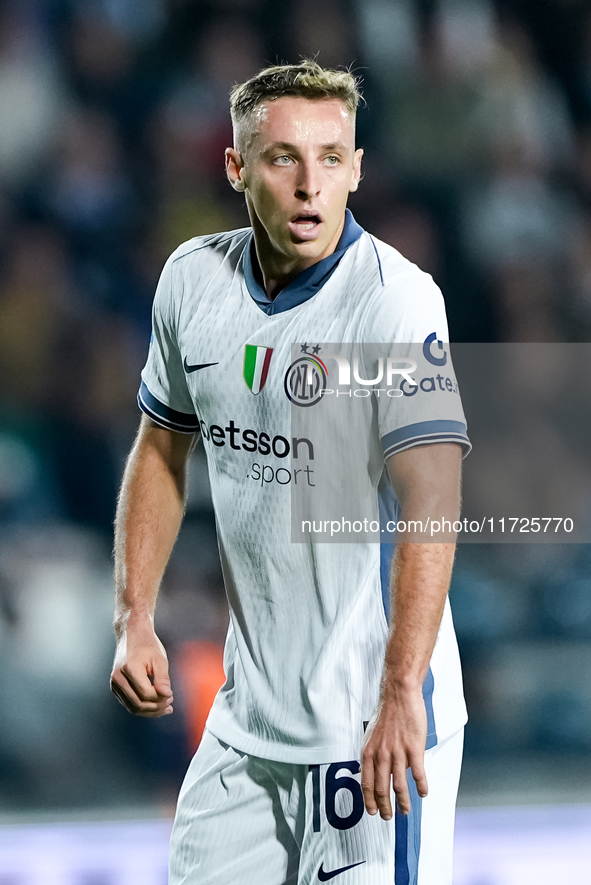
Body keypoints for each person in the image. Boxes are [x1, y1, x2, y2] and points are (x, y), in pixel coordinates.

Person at [110, 60, 471, 885]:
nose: (311, 184)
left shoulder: (393, 302)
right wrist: (135, 615)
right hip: (247, 729)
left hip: (370, 727)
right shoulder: (192, 280)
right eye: (282, 159)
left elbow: (432, 503)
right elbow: (160, 448)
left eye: (332, 157)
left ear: (356, 167)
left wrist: (399, 694)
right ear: (236, 167)